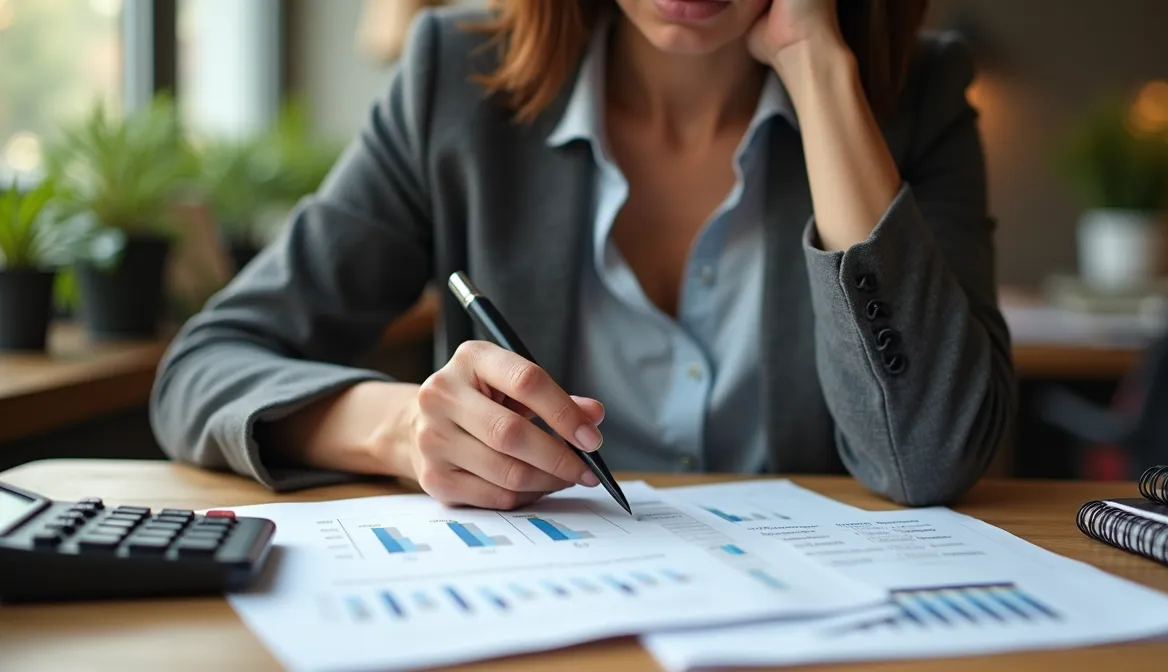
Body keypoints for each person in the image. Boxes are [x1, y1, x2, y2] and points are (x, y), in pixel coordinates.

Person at [150, 0, 1015, 510]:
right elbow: (204, 366)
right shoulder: (454, 77)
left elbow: (929, 453)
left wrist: (818, 68)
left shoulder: (912, 98)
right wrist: (402, 429)